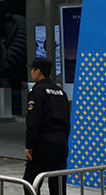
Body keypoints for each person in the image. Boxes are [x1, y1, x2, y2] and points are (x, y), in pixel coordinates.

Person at [22, 58, 71, 195]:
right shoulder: (60, 92)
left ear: (38, 72)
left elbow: (33, 121)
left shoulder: (37, 91)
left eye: (32, 70)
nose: (31, 72)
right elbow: (66, 121)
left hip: (44, 142)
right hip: (60, 142)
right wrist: (64, 140)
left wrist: (29, 145)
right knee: (58, 184)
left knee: (30, 182)